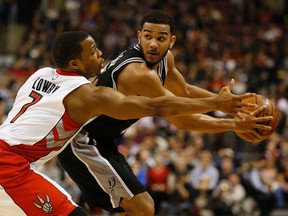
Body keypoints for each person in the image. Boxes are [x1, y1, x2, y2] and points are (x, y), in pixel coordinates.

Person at [0, 31, 256, 216]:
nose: (100, 53)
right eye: (92, 52)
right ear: (75, 64)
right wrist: (218, 104)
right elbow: (156, 106)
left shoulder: (41, 74)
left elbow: (182, 91)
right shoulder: (86, 96)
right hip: (10, 165)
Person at [57, 11, 274, 216]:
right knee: (143, 207)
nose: (153, 43)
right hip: (83, 140)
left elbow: (186, 91)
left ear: (171, 41)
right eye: (148, 36)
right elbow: (181, 119)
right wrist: (231, 121)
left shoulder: (165, 60)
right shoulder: (139, 73)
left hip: (104, 139)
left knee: (131, 209)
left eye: (161, 38)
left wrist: (229, 104)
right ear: (139, 36)